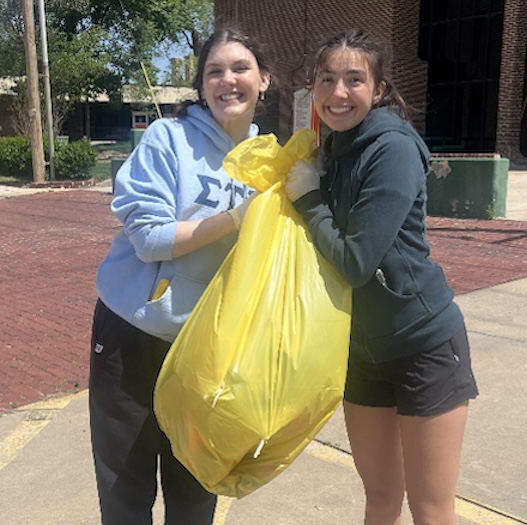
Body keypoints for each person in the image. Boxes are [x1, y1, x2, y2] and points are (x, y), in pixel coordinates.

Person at [285, 29, 478, 525]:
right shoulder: (332, 149)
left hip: (423, 345)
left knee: (431, 510)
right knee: (379, 499)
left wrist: (308, 199)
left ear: (378, 87)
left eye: (354, 79)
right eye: (327, 80)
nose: (339, 92)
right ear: (314, 88)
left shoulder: (390, 149)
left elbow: (354, 260)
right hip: (362, 352)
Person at [88, 26, 271, 525]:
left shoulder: (268, 163)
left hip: (205, 349)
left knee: (195, 493)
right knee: (126, 496)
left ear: (264, 80)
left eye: (240, 69)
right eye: (215, 71)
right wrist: (236, 219)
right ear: (201, 84)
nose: (227, 81)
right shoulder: (167, 139)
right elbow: (149, 239)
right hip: (133, 335)